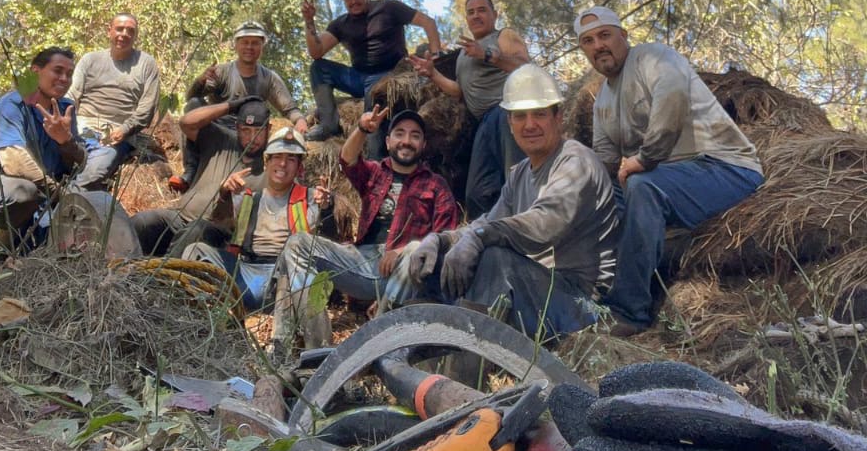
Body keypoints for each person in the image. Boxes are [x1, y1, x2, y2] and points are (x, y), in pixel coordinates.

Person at [574, 5, 764, 337]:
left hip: (724, 168)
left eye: (605, 35)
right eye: (588, 41)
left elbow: (673, 96)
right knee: (599, 201)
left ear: (623, 35)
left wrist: (645, 159)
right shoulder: (603, 98)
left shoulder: (653, 58)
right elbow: (604, 164)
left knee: (642, 186)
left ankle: (630, 310)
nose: (598, 46)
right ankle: (592, 293)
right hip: (674, 183)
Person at [405, 64, 619, 341]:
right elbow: (488, 222)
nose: (529, 125)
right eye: (520, 116)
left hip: (581, 304)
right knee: (435, 262)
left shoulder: (575, 161)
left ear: (558, 117)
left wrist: (479, 237)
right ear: (510, 123)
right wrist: (442, 240)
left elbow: (545, 224)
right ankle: (422, 341)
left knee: (494, 257)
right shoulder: (520, 173)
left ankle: (469, 361)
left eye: (539, 114)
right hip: (541, 290)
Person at [272, 105, 459, 352]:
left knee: (416, 248)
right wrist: (361, 128)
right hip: (363, 261)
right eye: (400, 133)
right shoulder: (375, 173)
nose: (407, 141)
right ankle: (318, 350)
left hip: (407, 272)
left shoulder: (436, 185)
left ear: (423, 145)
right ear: (389, 140)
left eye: (415, 135)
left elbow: (446, 238)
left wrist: (402, 250)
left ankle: (378, 344)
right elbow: (346, 159)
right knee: (297, 244)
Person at [182, 126, 333, 350]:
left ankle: (289, 348)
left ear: (299, 167)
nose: (282, 164)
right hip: (245, 275)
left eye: (291, 159)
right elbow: (218, 221)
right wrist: (224, 193)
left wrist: (328, 210)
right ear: (267, 162)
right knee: (195, 250)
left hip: (283, 281)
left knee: (295, 266)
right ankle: (191, 328)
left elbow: (328, 244)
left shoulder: (313, 197)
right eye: (277, 157)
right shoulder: (248, 196)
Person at [0, 47, 89, 249]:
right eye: (57, 71)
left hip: (37, 206)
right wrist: (58, 193)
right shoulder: (13, 104)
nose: (64, 79)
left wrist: (65, 141)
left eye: (69, 74)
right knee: (22, 191)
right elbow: (13, 162)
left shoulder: (65, 109)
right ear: (35, 72)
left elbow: (81, 162)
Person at [410, 0, 531, 217]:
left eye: (482, 10)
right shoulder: (464, 55)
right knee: (477, 192)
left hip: (507, 112)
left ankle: (529, 236)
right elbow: (460, 92)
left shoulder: (503, 36)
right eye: (471, 12)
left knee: (517, 179)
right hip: (482, 122)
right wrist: (433, 73)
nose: (476, 16)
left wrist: (487, 54)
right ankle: (486, 241)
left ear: (494, 15)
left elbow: (526, 67)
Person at [170, 20, 308, 191]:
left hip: (249, 134)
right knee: (194, 105)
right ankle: (190, 170)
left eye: (255, 43)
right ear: (236, 45)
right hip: (218, 130)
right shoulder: (222, 72)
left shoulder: (269, 77)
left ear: (262, 46)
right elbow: (192, 99)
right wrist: (200, 80)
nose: (249, 47)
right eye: (245, 42)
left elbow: (289, 108)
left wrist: (300, 120)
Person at [301, 0, 441, 142]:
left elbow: (428, 23)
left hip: (387, 75)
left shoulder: (389, 8)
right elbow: (316, 52)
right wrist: (309, 20)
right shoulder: (341, 24)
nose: (353, 1)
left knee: (374, 101)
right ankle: (328, 125)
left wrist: (436, 58)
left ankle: (375, 157)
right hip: (357, 77)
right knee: (318, 67)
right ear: (344, 0)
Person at [130, 96, 271, 256]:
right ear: (237, 128)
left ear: (269, 130)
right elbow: (187, 122)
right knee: (142, 222)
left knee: (194, 231)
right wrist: (231, 106)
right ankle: (119, 275)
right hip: (179, 217)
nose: (252, 138)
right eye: (246, 130)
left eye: (258, 131)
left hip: (215, 233)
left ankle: (162, 279)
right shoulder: (221, 139)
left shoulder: (270, 169)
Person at [67, 13, 160, 186]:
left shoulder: (146, 63)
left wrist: (125, 129)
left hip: (115, 134)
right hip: (82, 127)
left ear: (135, 36)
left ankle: (68, 199)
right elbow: (71, 95)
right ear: (109, 31)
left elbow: (148, 107)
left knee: (99, 166)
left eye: (130, 31)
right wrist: (65, 123)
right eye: (119, 29)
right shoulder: (90, 59)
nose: (124, 34)